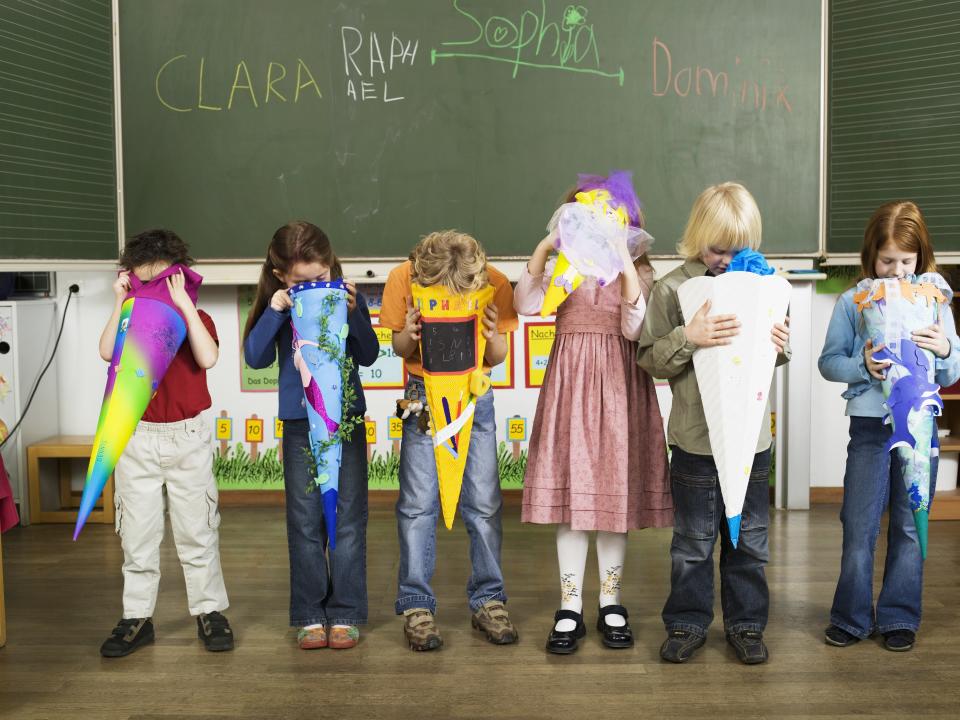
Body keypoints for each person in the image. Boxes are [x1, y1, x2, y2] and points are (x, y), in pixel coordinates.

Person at [515, 178, 672, 654]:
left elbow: (637, 328)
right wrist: (548, 245)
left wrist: (622, 259)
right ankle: (569, 606)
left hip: (621, 386)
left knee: (612, 500)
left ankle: (610, 601)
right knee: (573, 501)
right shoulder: (568, 267)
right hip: (573, 384)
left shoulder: (640, 270)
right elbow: (527, 304)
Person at [637, 183, 790, 665]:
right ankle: (686, 622)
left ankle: (746, 625)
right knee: (693, 543)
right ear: (696, 238)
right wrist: (690, 335)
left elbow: (774, 359)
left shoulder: (765, 284)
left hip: (752, 442)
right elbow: (649, 359)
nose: (725, 260)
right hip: (695, 443)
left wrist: (780, 344)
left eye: (737, 250)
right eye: (716, 249)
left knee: (750, 542)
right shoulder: (672, 288)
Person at [818, 201, 960, 652]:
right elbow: (829, 362)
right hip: (869, 428)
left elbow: (952, 372)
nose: (897, 271)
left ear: (921, 258)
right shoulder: (853, 300)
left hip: (919, 426)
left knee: (908, 519)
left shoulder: (936, 302)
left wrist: (944, 351)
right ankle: (851, 615)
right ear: (870, 256)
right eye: (887, 260)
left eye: (906, 261)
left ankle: (900, 615)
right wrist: (861, 367)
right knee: (858, 522)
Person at [379, 230, 519, 651]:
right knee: (418, 504)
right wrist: (408, 332)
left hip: (475, 395)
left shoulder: (493, 280)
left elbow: (497, 355)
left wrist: (493, 335)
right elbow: (401, 348)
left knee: (483, 502)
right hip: (423, 396)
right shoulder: (402, 278)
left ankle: (489, 599)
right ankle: (417, 604)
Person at [243, 221, 378, 650]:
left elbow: (370, 353)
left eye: (321, 277)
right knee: (304, 520)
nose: (315, 285)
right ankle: (308, 614)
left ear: (331, 265)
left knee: (349, 517)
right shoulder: (279, 303)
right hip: (301, 425)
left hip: (346, 421)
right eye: (303, 281)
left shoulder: (345, 297)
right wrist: (275, 310)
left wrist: (355, 311)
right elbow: (256, 357)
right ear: (282, 277)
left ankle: (346, 612)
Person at [99, 229, 233, 657]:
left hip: (187, 437)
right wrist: (120, 301)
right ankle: (137, 616)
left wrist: (183, 308)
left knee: (198, 531)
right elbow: (106, 351)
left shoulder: (198, 320)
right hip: (137, 438)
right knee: (137, 535)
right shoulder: (128, 321)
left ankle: (209, 612)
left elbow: (208, 356)